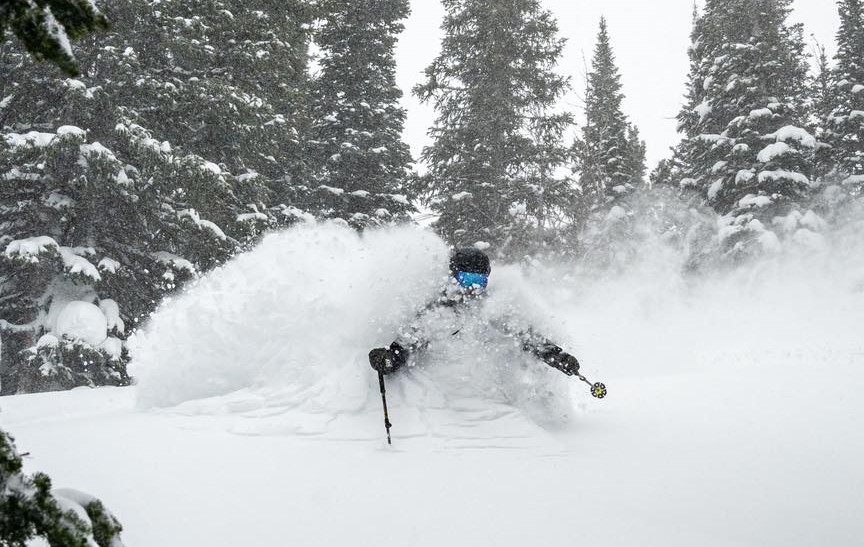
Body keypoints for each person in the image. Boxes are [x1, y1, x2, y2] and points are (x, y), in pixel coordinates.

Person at [368, 247, 588, 384]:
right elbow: (406, 345)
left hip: (487, 396)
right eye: (466, 280)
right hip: (442, 400)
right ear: (453, 276)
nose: (472, 288)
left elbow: (526, 337)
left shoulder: (493, 306)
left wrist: (557, 357)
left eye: (479, 281)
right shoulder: (437, 311)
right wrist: (388, 360)